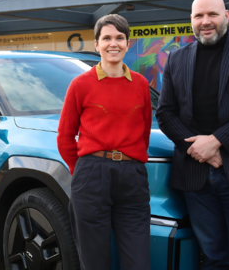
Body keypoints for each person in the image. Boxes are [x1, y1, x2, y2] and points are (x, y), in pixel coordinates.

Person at [156, 0, 229, 269]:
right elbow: (165, 112)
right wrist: (197, 149)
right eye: (199, 16)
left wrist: (218, 141)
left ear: (227, 17)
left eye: (212, 14)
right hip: (196, 175)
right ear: (191, 20)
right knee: (213, 259)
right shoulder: (176, 59)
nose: (205, 21)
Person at [57, 14, 152, 270]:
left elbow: (144, 131)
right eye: (106, 38)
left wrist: (133, 162)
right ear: (97, 44)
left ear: (128, 43)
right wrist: (82, 171)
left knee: (139, 261)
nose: (114, 43)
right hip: (92, 175)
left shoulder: (141, 84)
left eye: (119, 38)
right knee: (95, 261)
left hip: (132, 177)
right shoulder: (80, 85)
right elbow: (65, 136)